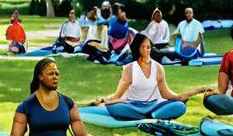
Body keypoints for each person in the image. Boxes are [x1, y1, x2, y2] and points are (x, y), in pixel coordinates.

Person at [83, 33, 212, 121]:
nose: (146, 50)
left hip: (154, 106)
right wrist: (104, 103)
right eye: (143, 47)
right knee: (114, 108)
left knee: (180, 107)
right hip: (132, 106)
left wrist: (188, 94)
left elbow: (167, 94)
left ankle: (151, 115)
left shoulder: (158, 68)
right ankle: (150, 117)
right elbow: (118, 96)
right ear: (137, 49)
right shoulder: (129, 69)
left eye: (148, 47)